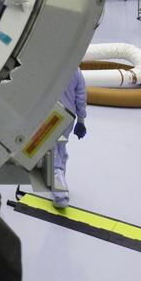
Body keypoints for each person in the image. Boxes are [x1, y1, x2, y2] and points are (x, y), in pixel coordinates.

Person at [52, 67, 87, 209]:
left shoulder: (51, 66)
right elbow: (81, 96)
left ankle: (61, 195)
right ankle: (60, 182)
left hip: (51, 119)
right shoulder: (76, 70)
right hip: (67, 119)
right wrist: (81, 120)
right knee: (61, 149)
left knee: (53, 155)